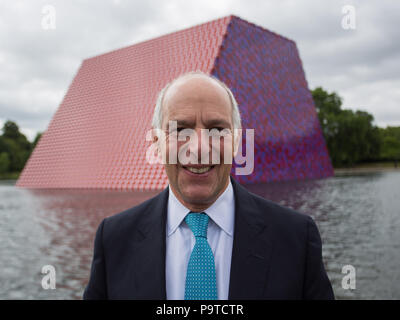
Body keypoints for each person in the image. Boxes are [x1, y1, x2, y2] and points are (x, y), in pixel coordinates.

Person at [83, 71, 334, 300]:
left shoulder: (296, 238)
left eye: (216, 129)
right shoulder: (114, 239)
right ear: (157, 142)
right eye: (180, 129)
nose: (199, 148)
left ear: (236, 141)